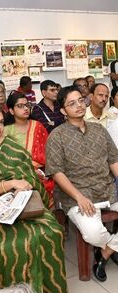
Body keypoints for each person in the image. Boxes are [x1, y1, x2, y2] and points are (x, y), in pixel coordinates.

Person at [0, 103, 68, 293]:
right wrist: (10, 184)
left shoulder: (7, 144)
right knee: (14, 244)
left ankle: (49, 292)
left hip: (23, 203)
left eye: (1, 122)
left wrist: (26, 180)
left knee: (51, 232)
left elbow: (26, 170)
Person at [46, 85, 118, 282]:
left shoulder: (99, 130)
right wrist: (78, 196)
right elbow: (56, 172)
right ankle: (109, 247)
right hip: (76, 194)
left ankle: (105, 253)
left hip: (106, 188)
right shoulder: (56, 136)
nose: (79, 105)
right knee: (93, 233)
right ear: (62, 111)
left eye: (80, 100)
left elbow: (113, 160)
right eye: (71, 103)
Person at [5, 91, 54, 208]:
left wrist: (41, 171)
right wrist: (29, 171)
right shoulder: (6, 131)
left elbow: (49, 152)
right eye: (20, 106)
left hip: (42, 173)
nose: (25, 108)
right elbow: (6, 158)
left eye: (27, 105)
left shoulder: (38, 126)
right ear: (11, 111)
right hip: (17, 175)